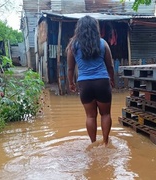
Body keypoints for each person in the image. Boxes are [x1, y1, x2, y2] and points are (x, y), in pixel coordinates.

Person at [66, 15, 115, 146]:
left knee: (90, 116)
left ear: (79, 29)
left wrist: (70, 83)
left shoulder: (73, 46)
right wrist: (112, 79)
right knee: (105, 114)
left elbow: (70, 68)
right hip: (102, 82)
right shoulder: (103, 43)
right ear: (95, 28)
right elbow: (110, 65)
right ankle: (105, 142)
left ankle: (93, 143)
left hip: (85, 84)